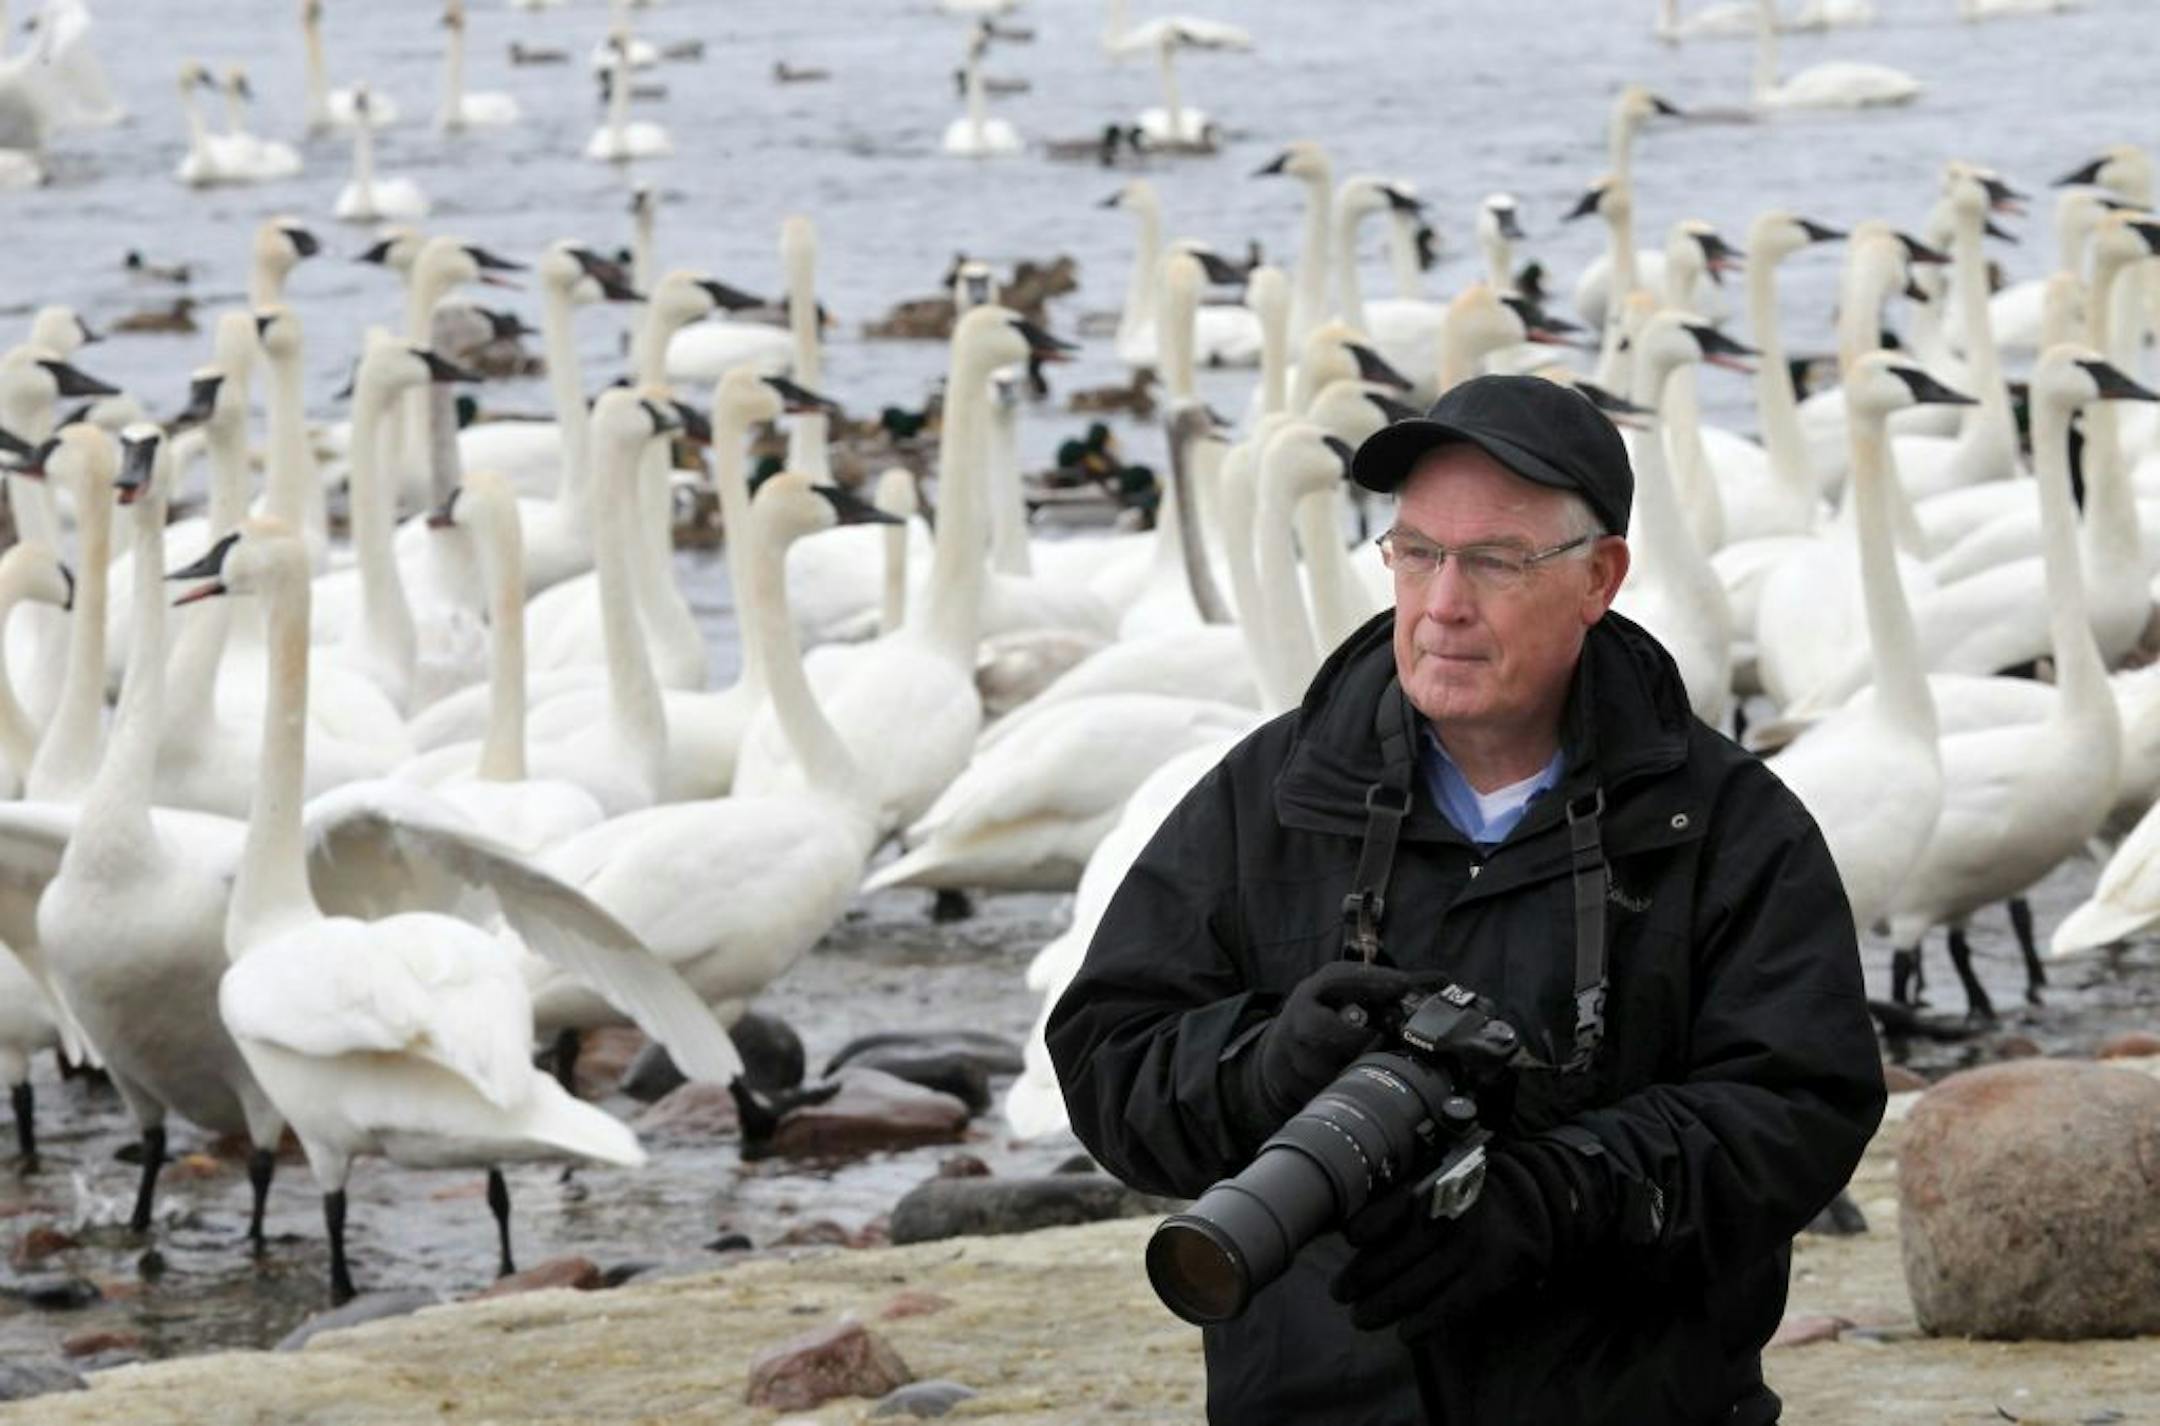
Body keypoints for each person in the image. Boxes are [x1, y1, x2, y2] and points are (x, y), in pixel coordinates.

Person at [1047, 374, 1887, 1425]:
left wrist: (1551, 1200)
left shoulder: (1722, 825)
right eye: (1417, 553)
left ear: (1599, 578)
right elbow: (1106, 1055)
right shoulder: (1269, 798)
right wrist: (1266, 1068)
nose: (1443, 603)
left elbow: (1800, 1108)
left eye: (1493, 560)